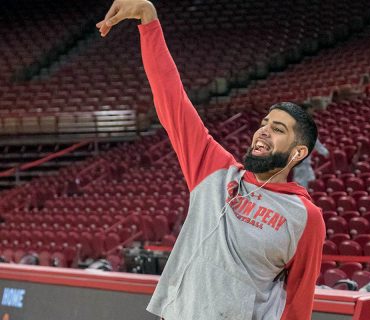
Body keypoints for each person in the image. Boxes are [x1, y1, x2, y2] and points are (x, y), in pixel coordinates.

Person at [96, 1, 326, 319]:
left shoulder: (306, 218)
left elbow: (298, 303)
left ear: (298, 153)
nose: (262, 132)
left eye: (277, 129)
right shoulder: (216, 171)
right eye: (264, 124)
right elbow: (172, 100)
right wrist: (149, 23)